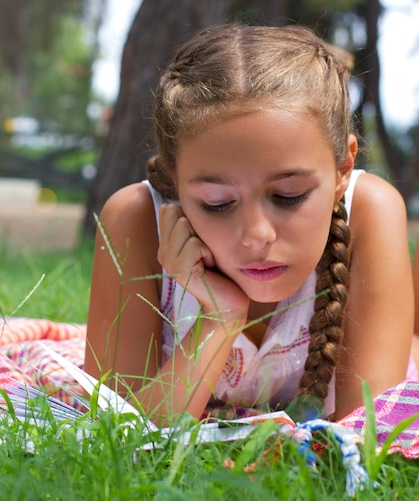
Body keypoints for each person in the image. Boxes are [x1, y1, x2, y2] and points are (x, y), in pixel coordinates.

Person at [84, 23, 414, 424]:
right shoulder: (135, 219)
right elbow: (116, 431)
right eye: (216, 203)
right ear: (176, 181)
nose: (258, 235)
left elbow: (369, 429)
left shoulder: (370, 210)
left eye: (289, 195)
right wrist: (217, 320)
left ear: (343, 167)